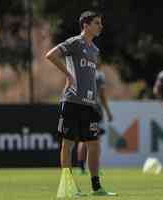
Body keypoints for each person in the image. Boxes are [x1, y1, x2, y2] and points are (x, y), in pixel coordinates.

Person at [45, 11, 116, 196]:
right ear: (85, 25)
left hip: (89, 104)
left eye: (100, 23)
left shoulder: (94, 49)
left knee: (94, 144)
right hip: (72, 101)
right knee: (68, 144)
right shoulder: (75, 42)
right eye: (97, 23)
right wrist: (68, 74)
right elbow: (51, 55)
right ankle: (67, 186)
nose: (100, 26)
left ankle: (96, 187)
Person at [77, 64, 113, 175]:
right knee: (94, 139)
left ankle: (81, 167)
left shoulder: (80, 72)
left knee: (83, 139)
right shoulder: (99, 75)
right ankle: (94, 168)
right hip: (94, 110)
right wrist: (108, 112)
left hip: (81, 108)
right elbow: (101, 95)